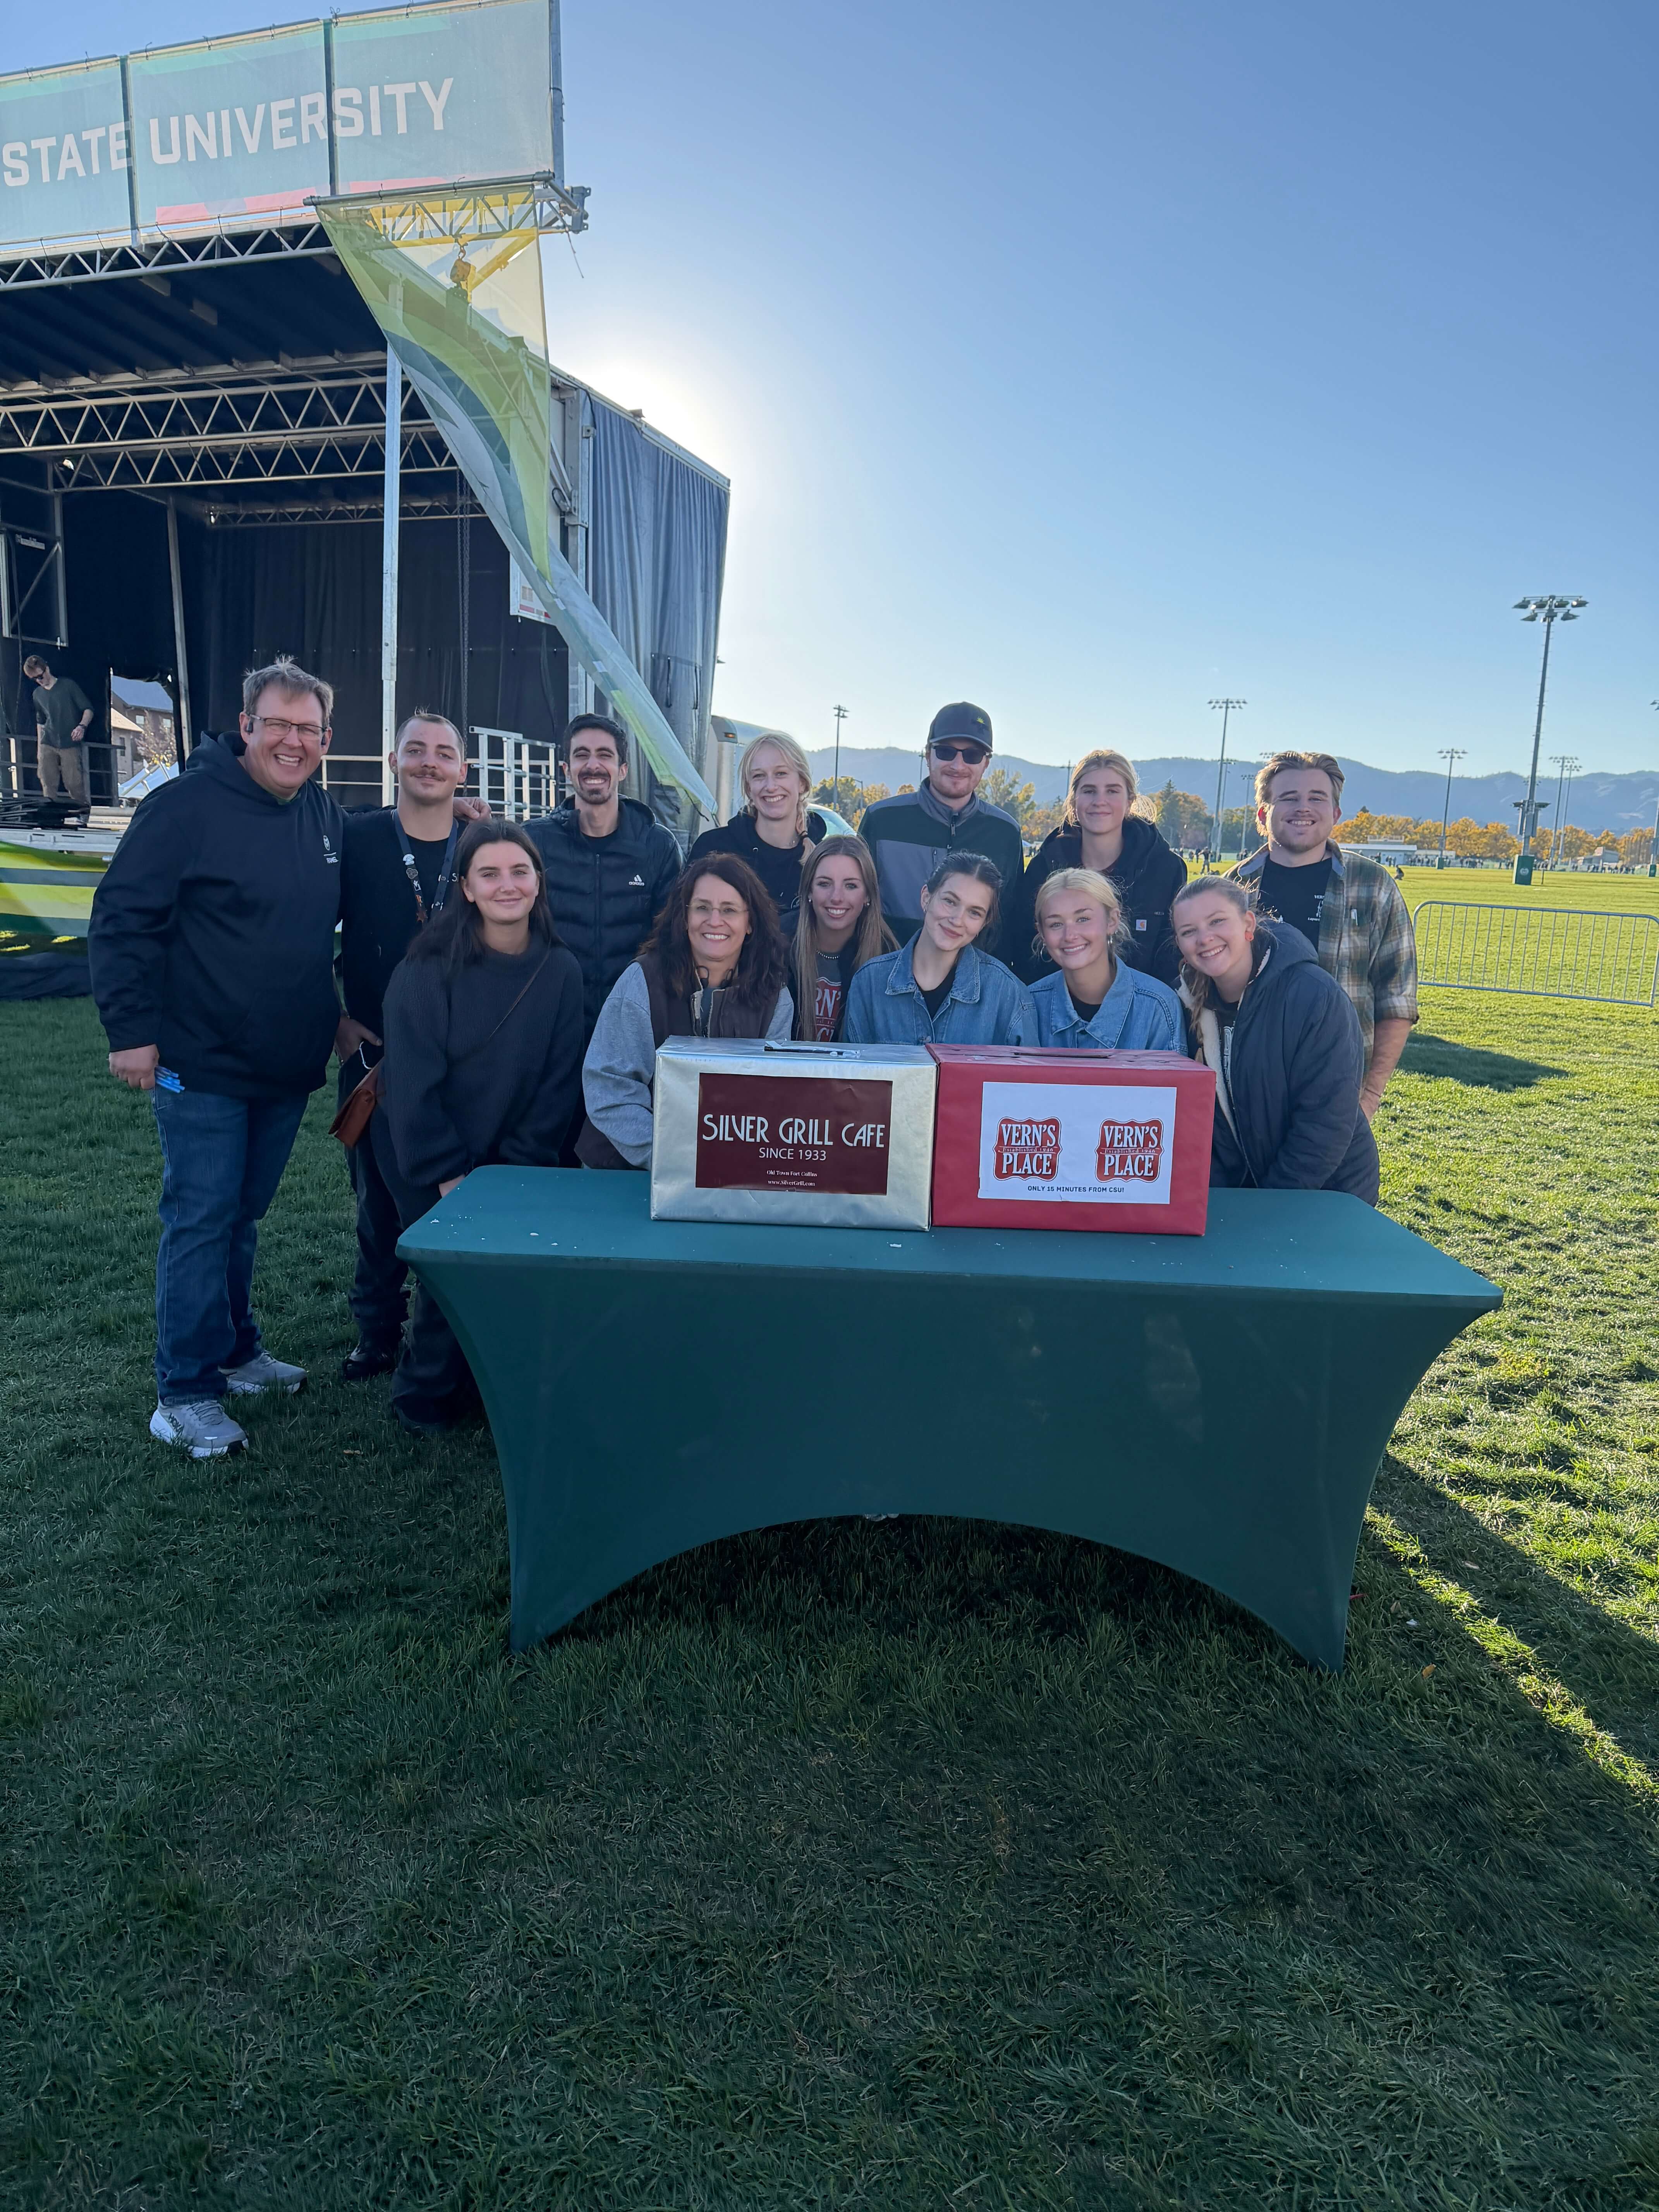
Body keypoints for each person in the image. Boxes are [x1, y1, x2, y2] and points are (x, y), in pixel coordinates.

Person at [89, 658, 344, 1458]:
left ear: (327, 739)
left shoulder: (325, 815)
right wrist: (131, 1033)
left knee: (241, 1215)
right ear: (246, 727)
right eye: (278, 724)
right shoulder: (183, 808)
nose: (292, 741)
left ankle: (235, 1349)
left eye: (308, 729)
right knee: (201, 1216)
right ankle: (185, 1391)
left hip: (283, 1064)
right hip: (196, 1062)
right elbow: (121, 920)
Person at [373, 822, 584, 1434]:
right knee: (451, 1271)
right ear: (465, 888)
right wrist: (448, 1176)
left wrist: (515, 1168)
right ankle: (422, 1394)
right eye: (488, 874)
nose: (506, 885)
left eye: (519, 872)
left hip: (513, 1152)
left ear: (539, 881)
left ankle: (494, 1386)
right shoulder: (426, 970)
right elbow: (412, 1088)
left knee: (510, 1272)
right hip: (425, 1148)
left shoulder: (561, 970)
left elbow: (556, 1085)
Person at [333, 710, 476, 1382]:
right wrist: (332, 1017)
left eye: (443, 753)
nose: (429, 762)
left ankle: (448, 1329)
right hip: (375, 1060)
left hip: (459, 1059)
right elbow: (306, 929)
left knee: (450, 1194)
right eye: (414, 750)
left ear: (462, 770)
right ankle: (376, 1330)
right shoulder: (356, 837)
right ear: (392, 762)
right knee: (377, 1203)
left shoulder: (481, 840)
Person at [1230, 750, 1418, 1120]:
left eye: (1317, 798)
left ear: (1335, 814)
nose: (1303, 808)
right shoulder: (1234, 889)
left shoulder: (1372, 885)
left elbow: (1397, 1000)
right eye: (1288, 797)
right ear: (1262, 815)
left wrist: (1371, 1095)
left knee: (1327, 1181)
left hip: (1338, 1089)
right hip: (1248, 1088)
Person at [1170, 875, 1378, 1203]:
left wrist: (1270, 1204)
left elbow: (1326, 1121)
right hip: (1244, 1197)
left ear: (1248, 924)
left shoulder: (1314, 996)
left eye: (1217, 921)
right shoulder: (1185, 1004)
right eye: (1188, 932)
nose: (1205, 938)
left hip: (1325, 1194)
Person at [577, 854, 794, 1169]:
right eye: (702, 908)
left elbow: (774, 1097)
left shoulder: (775, 997)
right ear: (684, 916)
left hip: (727, 1173)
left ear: (750, 923)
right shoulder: (643, 980)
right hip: (623, 1170)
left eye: (730, 910)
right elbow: (610, 1087)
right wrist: (677, 1158)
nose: (714, 921)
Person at [524, 713, 682, 1044]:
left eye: (605, 755)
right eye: (582, 755)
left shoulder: (657, 846)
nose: (593, 765)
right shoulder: (534, 843)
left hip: (633, 1028)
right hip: (551, 1030)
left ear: (623, 770)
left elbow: (672, 941)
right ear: (566, 769)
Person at [1005, 749, 1186, 986]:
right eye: (1089, 791)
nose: (1100, 801)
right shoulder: (1045, 868)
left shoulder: (1166, 869)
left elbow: (1172, 958)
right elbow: (1025, 952)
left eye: (1112, 791)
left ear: (1130, 800)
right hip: (1057, 1013)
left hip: (1143, 1014)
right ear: (1074, 801)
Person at [857, 702, 1024, 946]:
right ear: (928, 755)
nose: (958, 765)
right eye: (946, 752)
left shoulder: (1006, 832)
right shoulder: (882, 820)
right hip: (888, 977)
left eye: (973, 755)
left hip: (978, 982)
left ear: (986, 764)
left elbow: (1009, 923)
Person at [842, 855, 1035, 1045]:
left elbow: (1026, 1076)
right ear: (926, 897)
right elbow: (855, 1073)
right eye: (950, 901)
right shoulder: (869, 982)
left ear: (984, 924)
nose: (957, 920)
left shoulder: (1009, 994)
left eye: (974, 913)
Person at [1028, 869, 1183, 1050]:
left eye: (1083, 919)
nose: (1070, 936)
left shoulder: (1158, 1006)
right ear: (1042, 933)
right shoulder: (1028, 1005)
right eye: (1056, 924)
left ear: (1112, 921)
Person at [686, 732, 826, 929]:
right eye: (759, 776)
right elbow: (682, 923)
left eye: (781, 774)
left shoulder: (821, 860)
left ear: (802, 783)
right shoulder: (713, 849)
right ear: (749, 788)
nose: (771, 786)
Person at [792, 834, 895, 1041]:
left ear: (868, 895)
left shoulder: (889, 959)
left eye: (851, 886)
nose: (837, 897)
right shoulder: (779, 945)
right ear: (809, 890)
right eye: (824, 884)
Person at [25, 653, 94, 816]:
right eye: (35, 679)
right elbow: (41, 722)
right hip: (48, 741)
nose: (40, 681)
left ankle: (83, 815)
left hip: (70, 742)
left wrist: (82, 727)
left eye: (41, 676)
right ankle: (51, 817)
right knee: (47, 781)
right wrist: (39, 749)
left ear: (47, 669)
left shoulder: (68, 686)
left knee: (74, 783)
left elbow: (88, 710)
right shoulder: (38, 694)